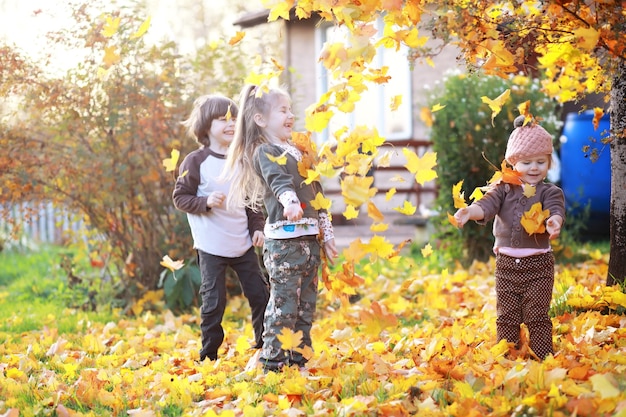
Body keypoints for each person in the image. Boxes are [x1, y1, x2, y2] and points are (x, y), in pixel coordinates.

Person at [222, 84, 339, 371]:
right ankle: (272, 363)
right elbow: (278, 181)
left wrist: (327, 234)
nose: (290, 115)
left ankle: (299, 360)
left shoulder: (300, 151)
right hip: (284, 245)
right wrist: (289, 201)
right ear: (261, 119)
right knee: (283, 307)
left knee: (305, 307)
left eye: (291, 110)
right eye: (282, 110)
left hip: (310, 241)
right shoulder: (266, 151)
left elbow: (317, 194)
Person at [453, 115, 565, 360]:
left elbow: (556, 210)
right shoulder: (503, 188)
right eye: (526, 162)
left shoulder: (549, 191)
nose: (533, 168)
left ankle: (543, 357)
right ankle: (507, 356)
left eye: (540, 162)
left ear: (549, 163)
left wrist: (554, 222)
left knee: (537, 316)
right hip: (506, 266)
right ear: (514, 163)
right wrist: (469, 212)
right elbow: (486, 205)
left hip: (539, 266)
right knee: (506, 316)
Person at [172, 94, 270, 362]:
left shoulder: (243, 159)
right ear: (206, 126)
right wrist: (205, 202)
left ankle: (264, 346)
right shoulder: (195, 161)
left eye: (234, 118)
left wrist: (257, 228)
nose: (230, 123)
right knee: (214, 302)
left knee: (260, 294)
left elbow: (251, 201)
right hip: (212, 245)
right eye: (222, 119)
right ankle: (209, 355)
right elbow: (180, 197)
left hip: (242, 242)